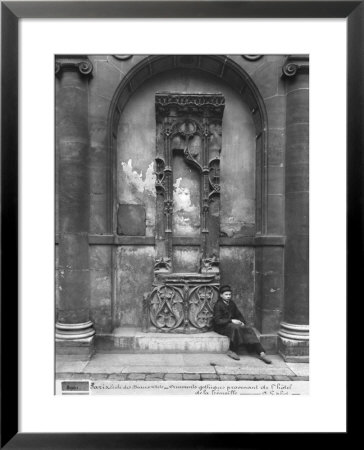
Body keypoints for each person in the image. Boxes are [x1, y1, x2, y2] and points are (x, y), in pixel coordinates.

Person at [213, 285, 272, 364]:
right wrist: (231, 320)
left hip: (231, 325)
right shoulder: (218, 305)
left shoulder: (231, 303)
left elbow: (238, 314)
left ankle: (261, 353)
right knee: (235, 328)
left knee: (248, 329)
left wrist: (242, 322)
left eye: (229, 294)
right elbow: (218, 321)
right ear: (221, 295)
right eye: (226, 294)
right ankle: (232, 350)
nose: (228, 296)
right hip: (221, 327)